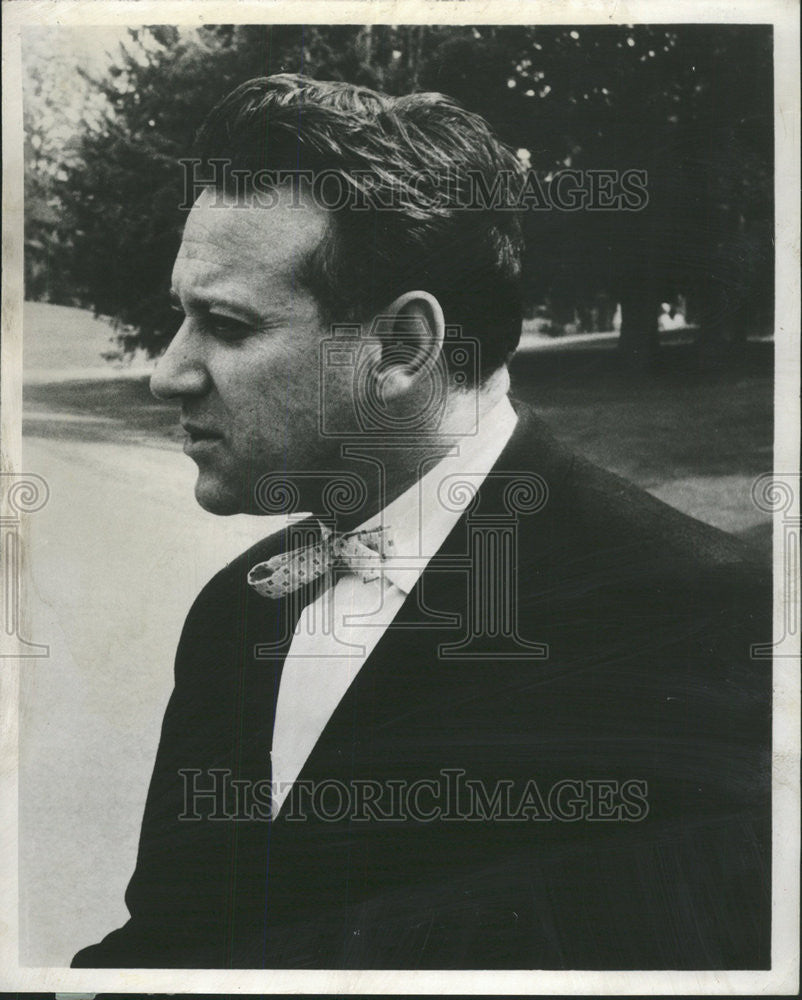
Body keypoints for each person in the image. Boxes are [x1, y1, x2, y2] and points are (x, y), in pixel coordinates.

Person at [72, 74, 771, 970]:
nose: (168, 372)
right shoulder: (237, 612)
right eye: (182, 315)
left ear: (402, 347)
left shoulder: (700, 621)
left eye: (227, 324)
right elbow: (174, 946)